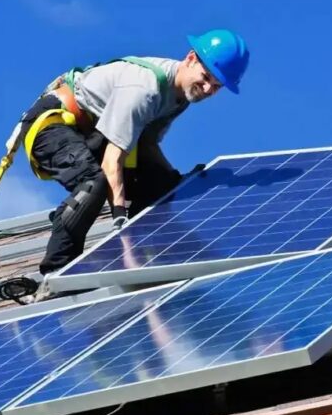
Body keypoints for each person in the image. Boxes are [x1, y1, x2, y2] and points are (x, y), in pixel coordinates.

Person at [14, 29, 249, 279]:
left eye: (215, 86)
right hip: (53, 124)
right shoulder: (145, 89)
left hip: (93, 135)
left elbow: (146, 145)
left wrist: (175, 180)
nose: (206, 88)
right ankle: (57, 270)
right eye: (205, 78)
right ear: (191, 58)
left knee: (163, 187)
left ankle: (148, 250)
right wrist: (119, 219)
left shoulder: (180, 98)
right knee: (93, 183)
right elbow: (111, 161)